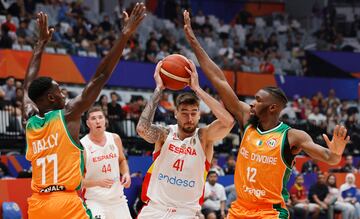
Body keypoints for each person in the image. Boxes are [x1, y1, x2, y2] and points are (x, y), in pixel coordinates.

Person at [183, 10, 350, 218]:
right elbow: (220, 80)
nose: (253, 103)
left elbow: (329, 158)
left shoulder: (291, 136)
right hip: (239, 209)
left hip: (269, 212)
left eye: (259, 100)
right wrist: (193, 40)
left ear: (273, 108)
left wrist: (335, 153)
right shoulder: (247, 119)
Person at [23, 6, 146, 218]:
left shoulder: (30, 120)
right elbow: (101, 76)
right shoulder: (67, 114)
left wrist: (40, 45)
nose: (64, 93)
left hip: (38, 205)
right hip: (65, 203)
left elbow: (26, 89)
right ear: (51, 98)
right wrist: (125, 36)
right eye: (59, 90)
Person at [136, 60, 234, 218]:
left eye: (194, 112)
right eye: (184, 112)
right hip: (155, 209)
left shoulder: (204, 137)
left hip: (186, 213)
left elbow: (228, 122)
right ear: (175, 113)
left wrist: (197, 89)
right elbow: (142, 129)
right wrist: (159, 89)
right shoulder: (165, 134)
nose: (189, 117)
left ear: (199, 114)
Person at [81, 106, 131, 219]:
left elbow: (122, 160)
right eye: (93, 118)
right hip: (95, 201)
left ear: (105, 120)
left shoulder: (115, 138)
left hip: (118, 199)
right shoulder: (82, 146)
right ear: (88, 123)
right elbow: (78, 181)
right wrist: (98, 182)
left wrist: (126, 173)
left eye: (100, 117)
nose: (98, 121)